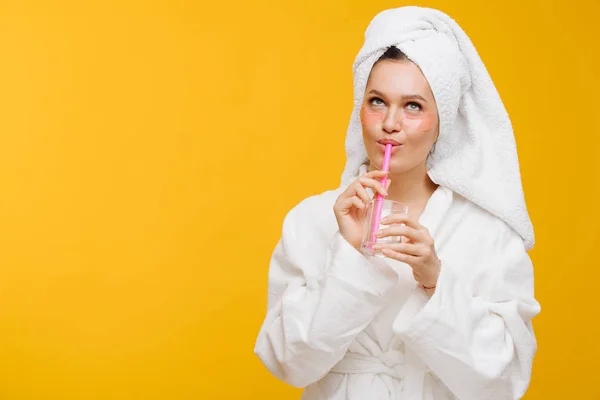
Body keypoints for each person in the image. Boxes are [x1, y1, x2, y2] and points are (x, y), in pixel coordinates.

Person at [254, 6, 540, 400]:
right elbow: (286, 362)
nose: (390, 123)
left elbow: (504, 382)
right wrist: (348, 255)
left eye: (413, 106)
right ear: (360, 109)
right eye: (376, 101)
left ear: (444, 120)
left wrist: (434, 279)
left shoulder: (488, 232)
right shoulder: (312, 220)